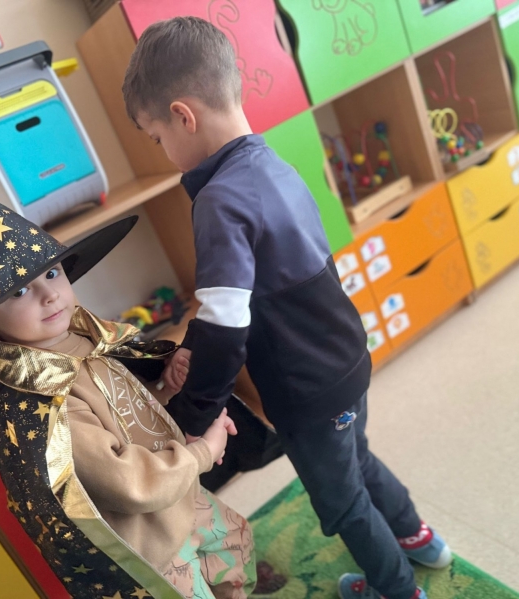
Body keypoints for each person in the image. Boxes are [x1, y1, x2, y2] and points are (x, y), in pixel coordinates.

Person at [122, 17, 451, 599]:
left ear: (183, 116)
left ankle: (398, 591)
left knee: (342, 499)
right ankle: (419, 539)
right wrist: (191, 344)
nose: (164, 152)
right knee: (359, 460)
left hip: (307, 390)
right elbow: (240, 299)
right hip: (346, 361)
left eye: (156, 138)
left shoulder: (218, 201)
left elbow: (227, 329)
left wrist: (195, 418)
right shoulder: (273, 164)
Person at [0, 116, 256, 599]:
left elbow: (123, 412)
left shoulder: (86, 340)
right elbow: (128, 483)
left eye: (52, 273)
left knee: (232, 551)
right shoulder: (42, 402)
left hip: (180, 494)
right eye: (18, 292)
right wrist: (202, 452)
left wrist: (164, 386)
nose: (49, 295)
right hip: (152, 542)